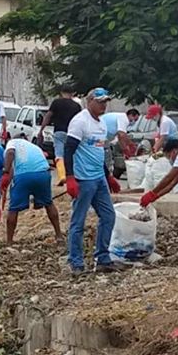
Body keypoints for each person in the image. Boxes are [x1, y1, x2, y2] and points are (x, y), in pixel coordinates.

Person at [65, 88, 123, 274]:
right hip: (84, 179)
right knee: (78, 221)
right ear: (89, 101)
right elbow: (69, 150)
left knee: (108, 215)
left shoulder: (101, 124)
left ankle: (103, 258)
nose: (103, 105)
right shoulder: (80, 122)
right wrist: (70, 177)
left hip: (99, 178)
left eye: (105, 102)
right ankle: (76, 261)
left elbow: (99, 152)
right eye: (99, 102)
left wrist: (108, 176)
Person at [3, 135, 63, 244]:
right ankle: (58, 235)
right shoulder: (34, 147)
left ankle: (9, 241)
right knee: (49, 203)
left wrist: (5, 172)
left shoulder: (12, 143)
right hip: (43, 173)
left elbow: (10, 154)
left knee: (13, 209)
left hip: (23, 176)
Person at [38, 83, 81, 185]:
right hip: (72, 133)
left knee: (59, 155)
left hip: (59, 132)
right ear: (72, 93)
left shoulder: (56, 103)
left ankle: (62, 176)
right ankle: (73, 176)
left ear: (61, 92)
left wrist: (41, 130)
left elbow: (48, 116)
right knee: (71, 155)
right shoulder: (77, 106)